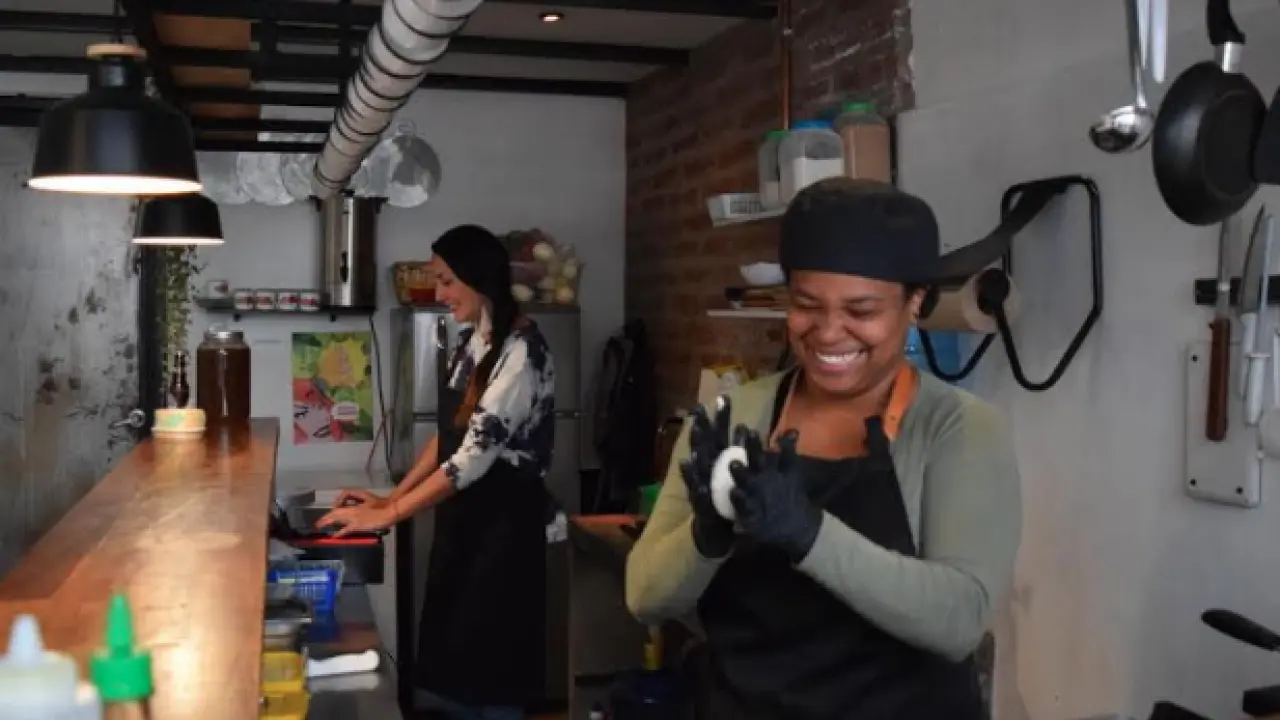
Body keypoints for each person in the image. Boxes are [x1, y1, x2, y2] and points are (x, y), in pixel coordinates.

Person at [625, 178, 1022, 719]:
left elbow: (959, 620)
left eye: (861, 311)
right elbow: (644, 597)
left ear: (916, 302)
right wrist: (706, 535)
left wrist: (809, 534)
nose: (829, 332)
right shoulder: (738, 414)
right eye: (807, 305)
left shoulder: (957, 428)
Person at [318, 224, 555, 720]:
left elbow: (473, 458)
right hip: (463, 527)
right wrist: (390, 498)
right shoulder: (470, 344)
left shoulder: (522, 353)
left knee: (495, 678)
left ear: (478, 278)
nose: (439, 293)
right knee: (457, 679)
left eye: (446, 281)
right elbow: (447, 439)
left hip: (503, 538)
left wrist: (389, 516)